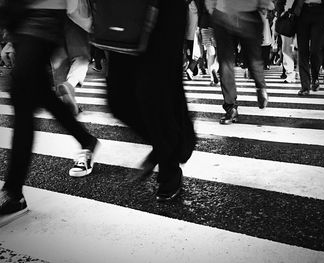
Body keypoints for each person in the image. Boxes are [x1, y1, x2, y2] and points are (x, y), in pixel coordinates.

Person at [0, 0, 99, 216]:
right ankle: (85, 139)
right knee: (41, 93)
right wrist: (11, 36)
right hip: (26, 20)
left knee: (22, 96)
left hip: (44, 16)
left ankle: (13, 191)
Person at [105, 0, 196, 201]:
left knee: (158, 93)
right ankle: (173, 141)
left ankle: (169, 166)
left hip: (166, 9)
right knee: (117, 99)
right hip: (123, 9)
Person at [208, 0, 271, 125]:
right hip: (247, 12)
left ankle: (231, 108)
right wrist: (264, 5)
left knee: (226, 63)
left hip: (223, 13)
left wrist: (211, 8)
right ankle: (260, 86)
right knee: (253, 56)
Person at [295, 0, 324, 95]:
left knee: (316, 50)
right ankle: (305, 86)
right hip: (302, 11)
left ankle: (315, 78)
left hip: (321, 11)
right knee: (302, 50)